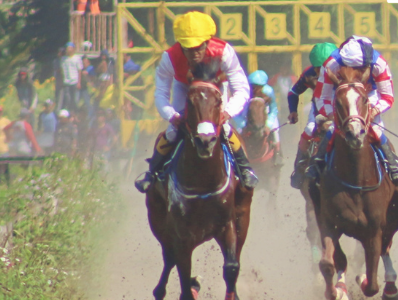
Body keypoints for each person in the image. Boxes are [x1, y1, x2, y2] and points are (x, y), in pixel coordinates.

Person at [134, 11, 258, 193]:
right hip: (185, 87)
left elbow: (241, 88)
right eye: (188, 48)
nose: (194, 53)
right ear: (180, 45)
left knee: (223, 128)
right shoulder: (169, 57)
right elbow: (160, 93)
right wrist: (172, 116)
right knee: (173, 131)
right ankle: (151, 174)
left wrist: (228, 112)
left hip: (215, 87)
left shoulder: (224, 52)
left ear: (207, 41)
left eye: (198, 47)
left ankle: (245, 169)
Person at [308, 36, 398, 184]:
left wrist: (374, 111)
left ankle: (392, 166)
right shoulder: (331, 63)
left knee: (375, 127)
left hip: (368, 94)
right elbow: (321, 97)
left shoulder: (379, 63)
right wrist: (332, 114)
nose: (356, 72)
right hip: (341, 93)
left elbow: (387, 97)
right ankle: (317, 163)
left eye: (361, 68)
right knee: (333, 128)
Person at [287, 42, 337, 189]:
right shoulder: (309, 74)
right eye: (316, 67)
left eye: (321, 67)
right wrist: (293, 111)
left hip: (341, 111)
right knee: (309, 129)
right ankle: (299, 165)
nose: (317, 71)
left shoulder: (344, 72)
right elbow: (293, 93)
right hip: (318, 110)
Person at [57, 43, 84, 112]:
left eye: (69, 48)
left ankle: (76, 113)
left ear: (73, 49)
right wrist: (61, 81)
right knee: (68, 99)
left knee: (75, 100)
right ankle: (70, 113)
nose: (68, 49)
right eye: (67, 48)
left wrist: (79, 82)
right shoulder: (63, 59)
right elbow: (62, 71)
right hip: (66, 82)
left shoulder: (77, 58)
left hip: (75, 81)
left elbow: (79, 71)